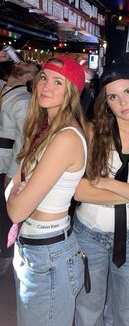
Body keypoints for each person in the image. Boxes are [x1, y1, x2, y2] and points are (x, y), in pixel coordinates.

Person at [73, 62, 129, 326]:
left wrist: (105, 183)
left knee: (128, 312)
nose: (122, 102)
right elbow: (80, 191)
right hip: (88, 231)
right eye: (113, 96)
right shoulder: (91, 133)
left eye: (127, 92)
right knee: (88, 310)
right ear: (106, 102)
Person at [5, 55, 88, 326]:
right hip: (33, 248)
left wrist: (17, 192)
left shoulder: (65, 137)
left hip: (49, 254)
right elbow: (13, 187)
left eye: (57, 82)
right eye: (43, 77)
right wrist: (17, 190)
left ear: (72, 92)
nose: (45, 86)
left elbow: (16, 208)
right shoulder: (43, 130)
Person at [0, 61, 38, 275]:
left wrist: (13, 173)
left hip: (4, 163)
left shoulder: (24, 100)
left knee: (3, 212)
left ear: (29, 78)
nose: (22, 64)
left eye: (29, 68)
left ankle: (5, 255)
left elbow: (24, 140)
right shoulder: (4, 87)